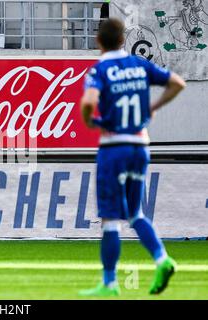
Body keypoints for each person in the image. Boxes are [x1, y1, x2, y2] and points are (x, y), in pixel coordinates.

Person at [79, 18, 186, 296]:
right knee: (135, 212)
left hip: (114, 148)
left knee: (111, 219)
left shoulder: (99, 70)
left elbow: (89, 103)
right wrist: (153, 106)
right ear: (123, 40)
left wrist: (92, 121)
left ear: (98, 42)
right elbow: (177, 83)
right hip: (140, 147)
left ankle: (110, 283)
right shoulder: (140, 65)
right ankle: (162, 259)